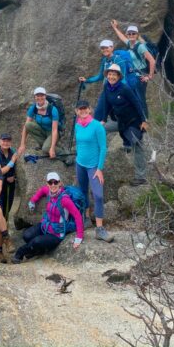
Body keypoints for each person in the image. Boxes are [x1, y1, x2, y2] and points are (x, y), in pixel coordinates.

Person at [94, 64, 149, 186]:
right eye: (109, 74)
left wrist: (143, 120)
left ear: (119, 76)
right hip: (120, 122)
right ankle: (94, 162)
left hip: (133, 121)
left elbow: (137, 103)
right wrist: (103, 119)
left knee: (137, 144)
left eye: (114, 74)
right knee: (100, 129)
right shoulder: (107, 87)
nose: (111, 77)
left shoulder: (124, 89)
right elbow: (107, 104)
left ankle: (141, 177)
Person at [11, 172, 83, 263]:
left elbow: (77, 216)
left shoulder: (65, 199)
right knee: (26, 235)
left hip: (57, 234)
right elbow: (41, 191)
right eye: (50, 182)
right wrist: (33, 201)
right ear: (47, 183)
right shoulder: (49, 192)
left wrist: (79, 237)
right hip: (45, 226)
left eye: (55, 182)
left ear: (59, 183)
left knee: (36, 241)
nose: (53, 185)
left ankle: (19, 254)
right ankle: (38, 251)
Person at [74, 99, 113, 242]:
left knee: (98, 195)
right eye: (80, 109)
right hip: (80, 164)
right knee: (83, 191)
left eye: (85, 108)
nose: (83, 111)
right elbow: (78, 144)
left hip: (93, 167)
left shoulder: (97, 126)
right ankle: (85, 217)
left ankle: (100, 229)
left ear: (90, 109)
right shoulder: (77, 125)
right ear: (77, 111)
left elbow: (103, 147)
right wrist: (78, 157)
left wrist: (100, 168)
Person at [111, 20, 155, 117]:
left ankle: (144, 120)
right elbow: (122, 37)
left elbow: (152, 61)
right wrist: (115, 28)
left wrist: (150, 76)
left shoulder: (140, 46)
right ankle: (138, 118)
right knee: (133, 97)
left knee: (140, 98)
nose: (131, 35)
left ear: (137, 34)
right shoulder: (130, 44)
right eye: (129, 33)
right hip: (132, 75)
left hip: (140, 75)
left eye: (133, 33)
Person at [19, 87, 64, 159]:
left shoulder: (52, 109)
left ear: (45, 96)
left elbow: (55, 130)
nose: (40, 97)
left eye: (42, 95)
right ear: (35, 97)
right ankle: (49, 145)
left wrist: (52, 148)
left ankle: (64, 154)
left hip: (52, 132)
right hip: (42, 131)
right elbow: (26, 126)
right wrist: (22, 144)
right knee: (28, 125)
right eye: (37, 95)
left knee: (46, 148)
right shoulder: (33, 108)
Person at [0, 132, 19, 220]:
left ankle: (5, 227)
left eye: (8, 141)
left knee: (8, 207)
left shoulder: (13, 151)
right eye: (4, 140)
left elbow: (18, 168)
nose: (5, 143)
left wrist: (14, 176)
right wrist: (12, 162)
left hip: (10, 185)